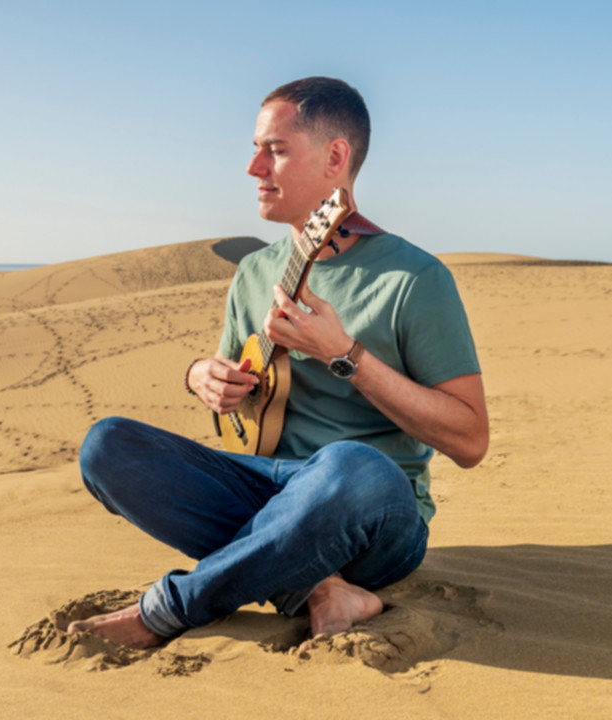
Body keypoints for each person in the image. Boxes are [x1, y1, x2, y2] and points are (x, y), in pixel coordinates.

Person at [67, 77, 489, 649]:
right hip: (269, 493)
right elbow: (237, 383)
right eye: (256, 148)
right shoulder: (254, 273)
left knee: (350, 467)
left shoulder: (414, 278)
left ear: (335, 157)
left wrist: (344, 355)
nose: (252, 168)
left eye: (276, 150)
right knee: (107, 445)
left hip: (372, 511)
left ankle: (171, 608)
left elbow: (469, 440)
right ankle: (314, 585)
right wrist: (204, 378)